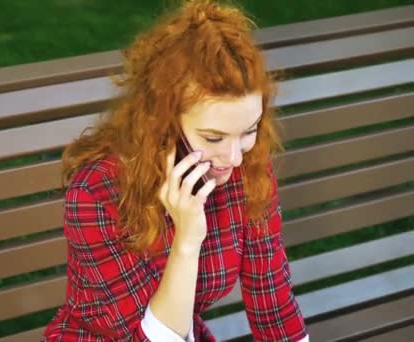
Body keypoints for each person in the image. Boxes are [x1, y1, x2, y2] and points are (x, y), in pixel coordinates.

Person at [43, 1, 309, 341]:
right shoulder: (96, 194)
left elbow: (271, 298)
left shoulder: (247, 166)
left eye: (249, 130)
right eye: (213, 137)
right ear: (166, 121)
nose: (234, 157)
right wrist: (187, 238)